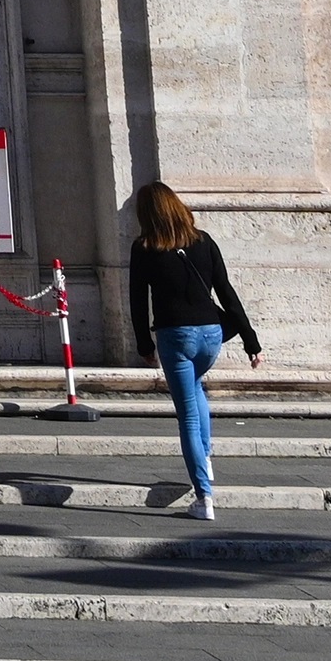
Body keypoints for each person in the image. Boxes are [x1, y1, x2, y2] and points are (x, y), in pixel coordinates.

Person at [127, 179, 266, 520]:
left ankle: (204, 497)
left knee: (187, 414)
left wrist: (144, 344)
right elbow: (227, 294)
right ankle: (206, 460)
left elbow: (136, 301)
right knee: (196, 392)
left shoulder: (144, 247)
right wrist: (251, 342)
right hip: (211, 335)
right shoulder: (204, 241)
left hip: (176, 336)